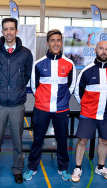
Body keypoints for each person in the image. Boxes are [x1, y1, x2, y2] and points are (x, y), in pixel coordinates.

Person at [23, 29, 76, 182]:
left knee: (62, 139)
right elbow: (34, 86)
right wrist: (42, 100)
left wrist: (64, 100)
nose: (55, 43)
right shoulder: (39, 64)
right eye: (52, 40)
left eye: (58, 40)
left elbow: (71, 86)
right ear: (47, 43)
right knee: (37, 139)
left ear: (61, 42)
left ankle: (63, 167)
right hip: (42, 108)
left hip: (61, 109)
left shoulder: (69, 63)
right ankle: (32, 167)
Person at [0, 18, 33, 185]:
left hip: (17, 104)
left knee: (17, 141)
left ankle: (18, 170)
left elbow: (26, 76)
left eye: (12, 29)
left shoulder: (26, 54)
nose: (9, 32)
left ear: (16, 31)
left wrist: (17, 89)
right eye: (6, 29)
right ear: (2, 31)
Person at [72, 41, 107, 182]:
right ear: (95, 50)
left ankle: (101, 167)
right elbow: (77, 91)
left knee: (104, 141)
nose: (104, 51)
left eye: (106, 49)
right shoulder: (87, 71)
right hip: (88, 113)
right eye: (101, 48)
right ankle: (78, 168)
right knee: (82, 140)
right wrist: (86, 106)